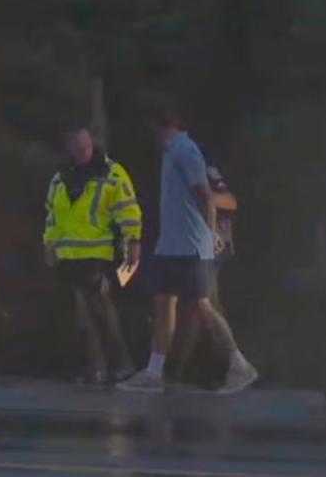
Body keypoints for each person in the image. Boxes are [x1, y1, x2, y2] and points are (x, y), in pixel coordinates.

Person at [118, 108, 257, 394]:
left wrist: (210, 232)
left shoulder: (186, 151)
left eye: (153, 131)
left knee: (201, 306)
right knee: (163, 302)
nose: (152, 138)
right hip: (172, 243)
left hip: (191, 244)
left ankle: (239, 365)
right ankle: (154, 373)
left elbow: (205, 195)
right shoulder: (171, 153)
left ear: (162, 127)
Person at [44, 124, 142, 384]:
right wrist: (50, 243)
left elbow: (128, 210)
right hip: (69, 254)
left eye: (86, 147)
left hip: (98, 252)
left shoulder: (111, 173)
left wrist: (133, 241)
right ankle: (96, 367)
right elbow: (54, 215)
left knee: (100, 305)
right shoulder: (61, 176)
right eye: (77, 148)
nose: (83, 152)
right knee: (82, 312)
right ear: (69, 149)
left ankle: (121, 363)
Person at [170, 164, 239, 385]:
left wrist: (207, 199)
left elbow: (229, 201)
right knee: (197, 305)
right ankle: (185, 367)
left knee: (206, 305)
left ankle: (228, 366)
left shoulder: (203, 171)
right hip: (196, 245)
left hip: (213, 246)